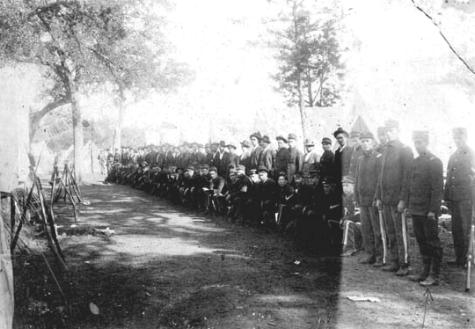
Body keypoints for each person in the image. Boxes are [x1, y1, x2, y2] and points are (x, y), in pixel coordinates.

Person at [375, 120, 413, 276]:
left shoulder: (405, 150)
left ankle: (405, 264)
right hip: (386, 199)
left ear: (397, 131)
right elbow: (381, 176)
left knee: (400, 232)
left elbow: (407, 177)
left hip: (397, 200)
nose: (388, 133)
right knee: (390, 231)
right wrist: (378, 196)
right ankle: (394, 261)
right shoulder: (385, 151)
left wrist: (403, 199)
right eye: (387, 131)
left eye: (391, 130)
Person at [407, 131, 444, 286]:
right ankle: (425, 271)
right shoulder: (415, 162)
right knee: (421, 240)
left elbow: (437, 188)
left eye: (420, 142)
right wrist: (410, 206)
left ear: (426, 143)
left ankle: (434, 275)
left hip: (428, 210)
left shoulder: (435, 161)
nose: (417, 145)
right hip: (416, 208)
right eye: (415, 142)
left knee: (432, 241)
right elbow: (411, 186)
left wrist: (432, 210)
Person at [444, 127, 474, 267]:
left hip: (466, 198)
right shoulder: (453, 156)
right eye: (455, 138)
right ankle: (459, 258)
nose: (457, 141)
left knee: (466, 228)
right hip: (454, 198)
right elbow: (449, 177)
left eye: (460, 138)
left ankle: (469, 259)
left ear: (465, 137)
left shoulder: (471, 154)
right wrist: (446, 196)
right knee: (456, 229)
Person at [354, 132, 383, 266]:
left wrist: (377, 197)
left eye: (367, 141)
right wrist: (356, 196)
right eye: (363, 141)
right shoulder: (360, 159)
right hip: (362, 199)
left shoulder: (378, 158)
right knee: (366, 228)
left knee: (376, 229)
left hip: (373, 199)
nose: (365, 144)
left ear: (373, 142)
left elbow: (379, 180)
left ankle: (380, 256)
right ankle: (369, 254)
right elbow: (357, 179)